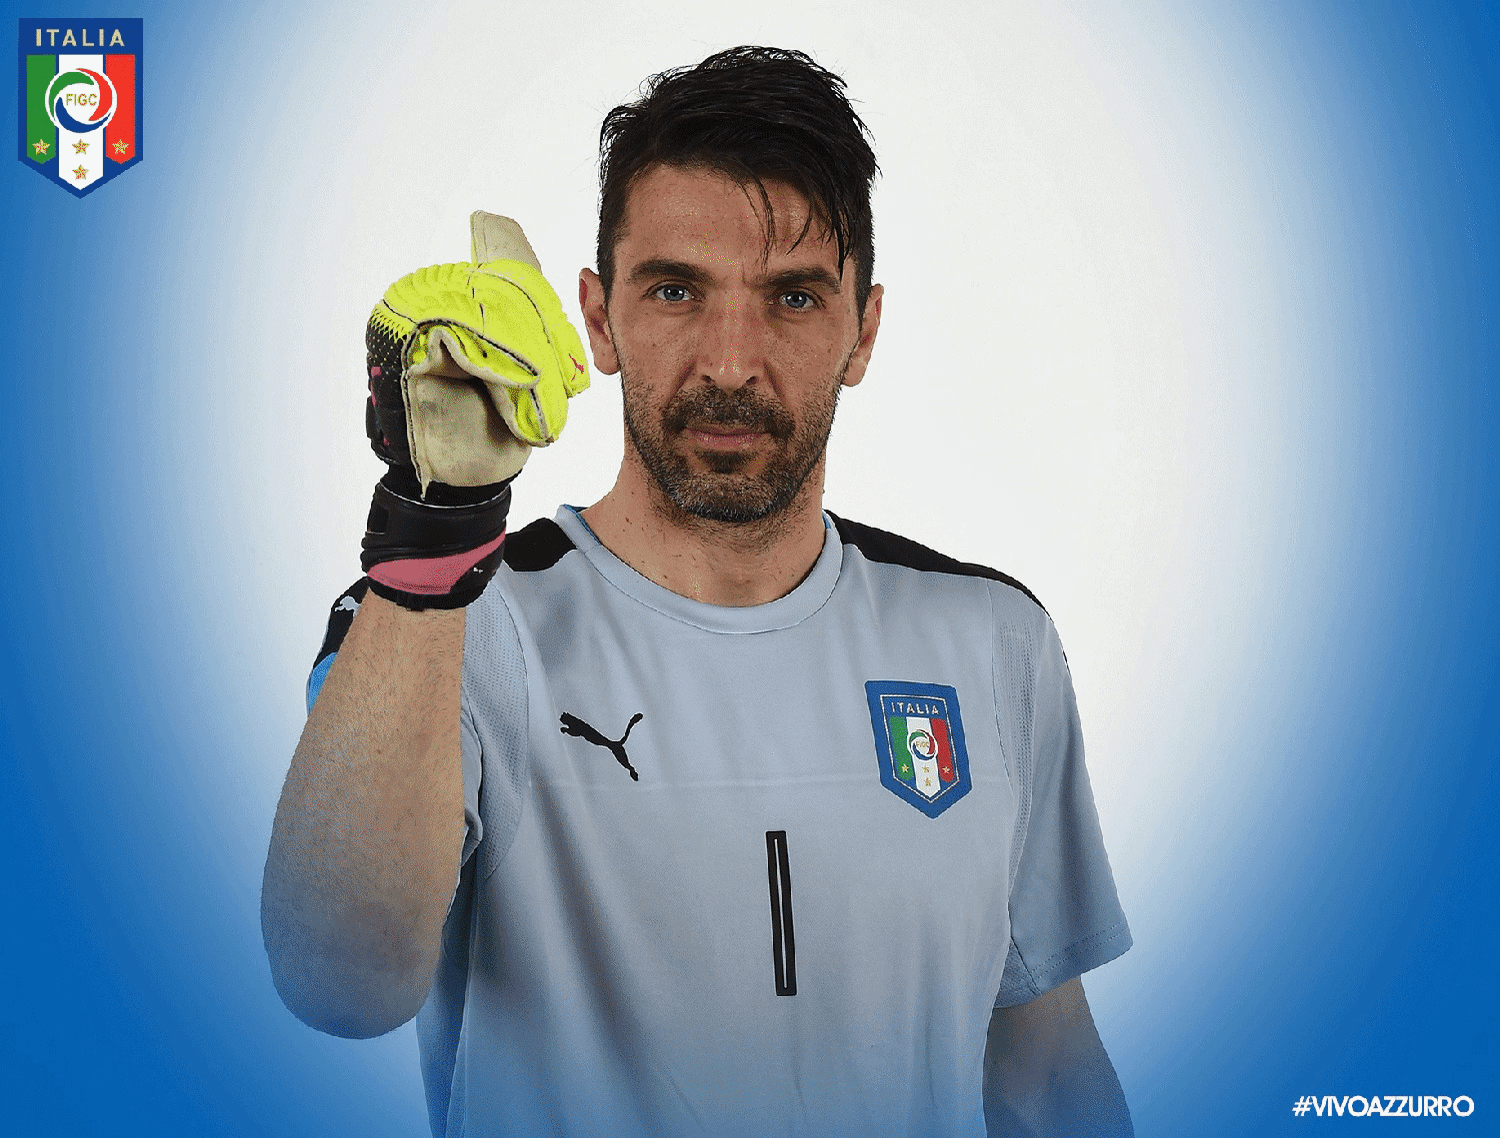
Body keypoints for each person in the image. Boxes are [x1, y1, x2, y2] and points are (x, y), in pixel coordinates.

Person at [262, 45, 1134, 1137]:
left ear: (862, 330)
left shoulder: (991, 641)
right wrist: (434, 539)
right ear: (599, 318)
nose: (730, 361)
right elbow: (337, 984)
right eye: (675, 290)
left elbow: (1044, 1075)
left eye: (792, 297)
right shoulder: (462, 624)